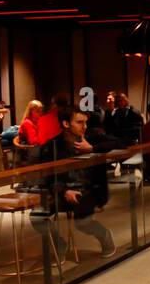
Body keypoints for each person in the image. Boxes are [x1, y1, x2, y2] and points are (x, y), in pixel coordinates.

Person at [37, 107, 116, 259]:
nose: (84, 126)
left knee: (82, 222)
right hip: (63, 192)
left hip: (89, 191)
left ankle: (105, 236)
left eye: (85, 122)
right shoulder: (52, 146)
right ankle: (59, 245)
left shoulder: (93, 137)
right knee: (37, 217)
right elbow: (47, 177)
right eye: (80, 122)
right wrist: (63, 190)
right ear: (66, 124)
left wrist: (93, 148)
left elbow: (121, 142)